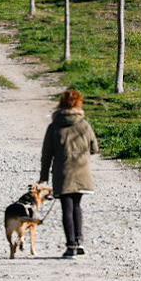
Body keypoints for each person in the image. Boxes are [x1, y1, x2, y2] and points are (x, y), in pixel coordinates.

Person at [39, 88, 100, 258]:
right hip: (82, 172)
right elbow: (94, 149)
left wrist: (43, 176)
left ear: (61, 104)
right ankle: (79, 241)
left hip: (62, 173)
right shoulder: (84, 125)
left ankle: (70, 245)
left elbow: (46, 154)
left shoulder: (53, 126)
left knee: (67, 208)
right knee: (77, 206)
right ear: (79, 104)